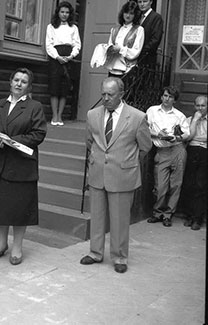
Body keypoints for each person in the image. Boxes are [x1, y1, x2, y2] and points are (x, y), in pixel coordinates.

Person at [80, 77, 151, 273]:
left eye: (110, 95)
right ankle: (95, 252)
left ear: (122, 94)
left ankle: (120, 257)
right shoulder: (92, 114)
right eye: (103, 94)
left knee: (119, 219)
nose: (105, 98)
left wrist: (126, 161)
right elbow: (89, 142)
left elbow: (145, 146)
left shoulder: (137, 117)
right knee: (97, 216)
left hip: (123, 175)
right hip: (97, 172)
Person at [0, 68, 47, 265]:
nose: (19, 84)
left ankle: (17, 247)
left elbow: (38, 134)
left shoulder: (34, 107)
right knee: (0, 207)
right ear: (10, 82)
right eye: (16, 80)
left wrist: (11, 140)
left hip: (21, 165)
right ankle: (1, 243)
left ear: (29, 86)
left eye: (24, 81)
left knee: (20, 208)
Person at [145, 86, 190, 227]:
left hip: (177, 149)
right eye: (165, 95)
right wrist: (157, 134)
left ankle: (168, 215)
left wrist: (176, 138)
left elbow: (187, 133)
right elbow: (144, 128)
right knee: (160, 186)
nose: (167, 99)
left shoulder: (179, 115)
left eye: (170, 97)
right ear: (161, 97)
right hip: (162, 151)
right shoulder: (152, 111)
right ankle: (157, 212)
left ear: (174, 100)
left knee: (176, 184)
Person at [45, 1, 81, 126]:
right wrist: (57, 56)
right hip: (55, 58)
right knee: (54, 87)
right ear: (58, 13)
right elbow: (49, 44)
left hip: (68, 58)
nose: (64, 14)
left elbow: (77, 44)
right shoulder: (51, 27)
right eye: (62, 12)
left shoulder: (73, 28)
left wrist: (71, 56)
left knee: (64, 88)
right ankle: (54, 116)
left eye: (67, 12)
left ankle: (60, 116)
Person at [180, 95, 207, 231]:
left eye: (203, 105)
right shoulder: (189, 120)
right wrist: (195, 120)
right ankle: (189, 215)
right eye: (198, 105)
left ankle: (198, 218)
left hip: (205, 152)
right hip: (191, 151)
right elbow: (188, 137)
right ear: (194, 106)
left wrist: (199, 138)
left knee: (200, 184)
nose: (200, 108)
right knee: (189, 183)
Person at [105, 1, 144, 79]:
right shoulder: (115, 29)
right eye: (126, 12)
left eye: (131, 13)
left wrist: (120, 49)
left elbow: (136, 52)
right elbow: (109, 46)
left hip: (127, 70)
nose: (128, 15)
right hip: (113, 69)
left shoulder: (139, 30)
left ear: (135, 15)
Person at [136, 0, 164, 69]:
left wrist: (141, 51)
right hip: (136, 58)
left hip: (147, 58)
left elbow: (155, 39)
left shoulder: (156, 17)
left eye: (145, 1)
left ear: (151, 2)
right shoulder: (138, 17)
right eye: (140, 2)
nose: (142, 4)